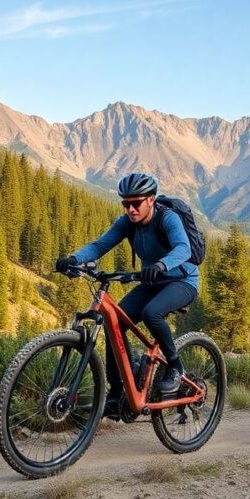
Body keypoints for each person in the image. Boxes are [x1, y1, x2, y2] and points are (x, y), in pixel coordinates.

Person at [55, 172, 199, 417]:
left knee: (151, 312)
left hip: (182, 280)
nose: (130, 209)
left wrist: (162, 265)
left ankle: (175, 366)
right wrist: (74, 259)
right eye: (126, 204)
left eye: (136, 203)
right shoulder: (127, 223)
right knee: (115, 323)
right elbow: (100, 245)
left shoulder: (168, 218)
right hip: (151, 282)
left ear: (151, 200)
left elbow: (183, 248)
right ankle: (117, 394)